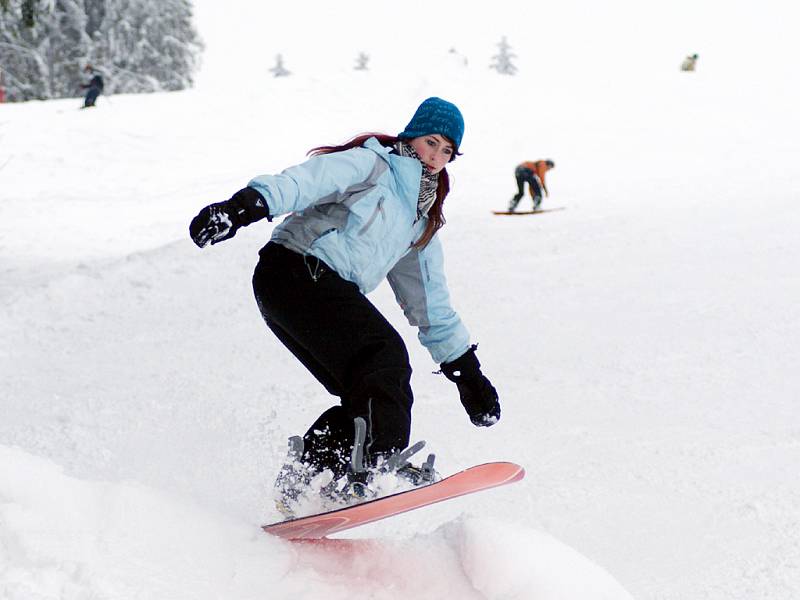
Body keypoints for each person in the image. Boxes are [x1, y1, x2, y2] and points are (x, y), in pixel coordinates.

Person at [188, 97, 501, 516]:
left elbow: (432, 304)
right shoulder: (373, 165)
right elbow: (306, 180)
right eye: (431, 143)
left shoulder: (418, 221)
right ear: (411, 136)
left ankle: (305, 483)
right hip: (295, 269)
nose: (436, 158)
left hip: (313, 289)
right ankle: (377, 465)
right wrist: (244, 207)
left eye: (447, 152)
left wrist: (468, 375)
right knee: (383, 358)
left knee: (363, 391)